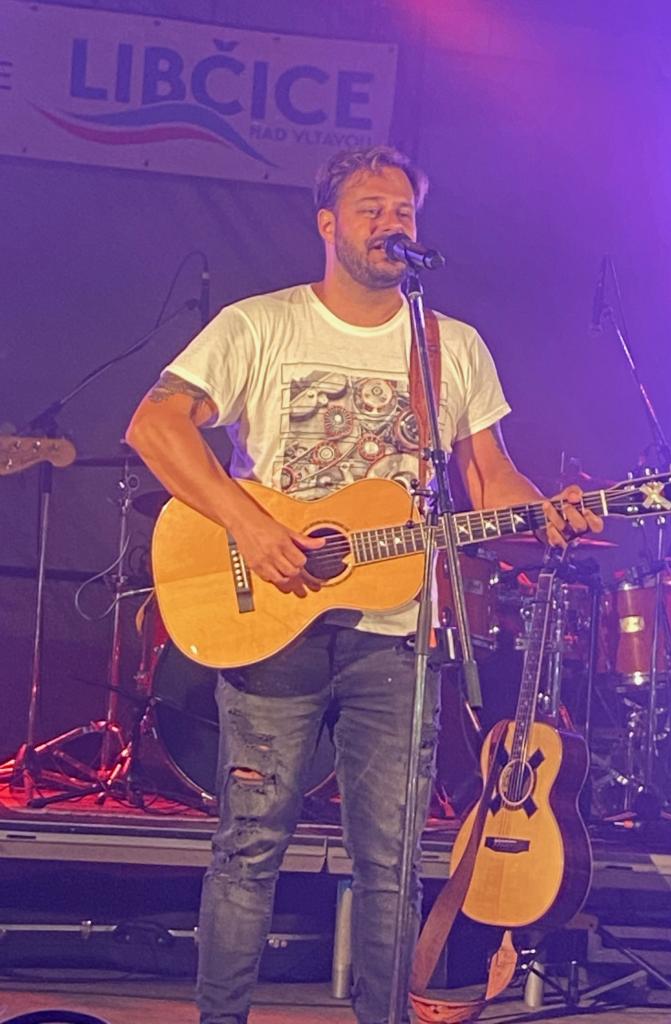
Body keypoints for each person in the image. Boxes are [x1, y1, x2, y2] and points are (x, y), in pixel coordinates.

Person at [126, 145, 602, 1024]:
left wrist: (546, 511)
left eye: (404, 212)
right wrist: (250, 525)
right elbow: (155, 427)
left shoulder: (449, 345)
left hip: (398, 635)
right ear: (328, 224)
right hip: (272, 620)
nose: (391, 223)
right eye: (371, 208)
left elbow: (488, 477)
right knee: (249, 848)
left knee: (391, 860)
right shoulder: (258, 325)